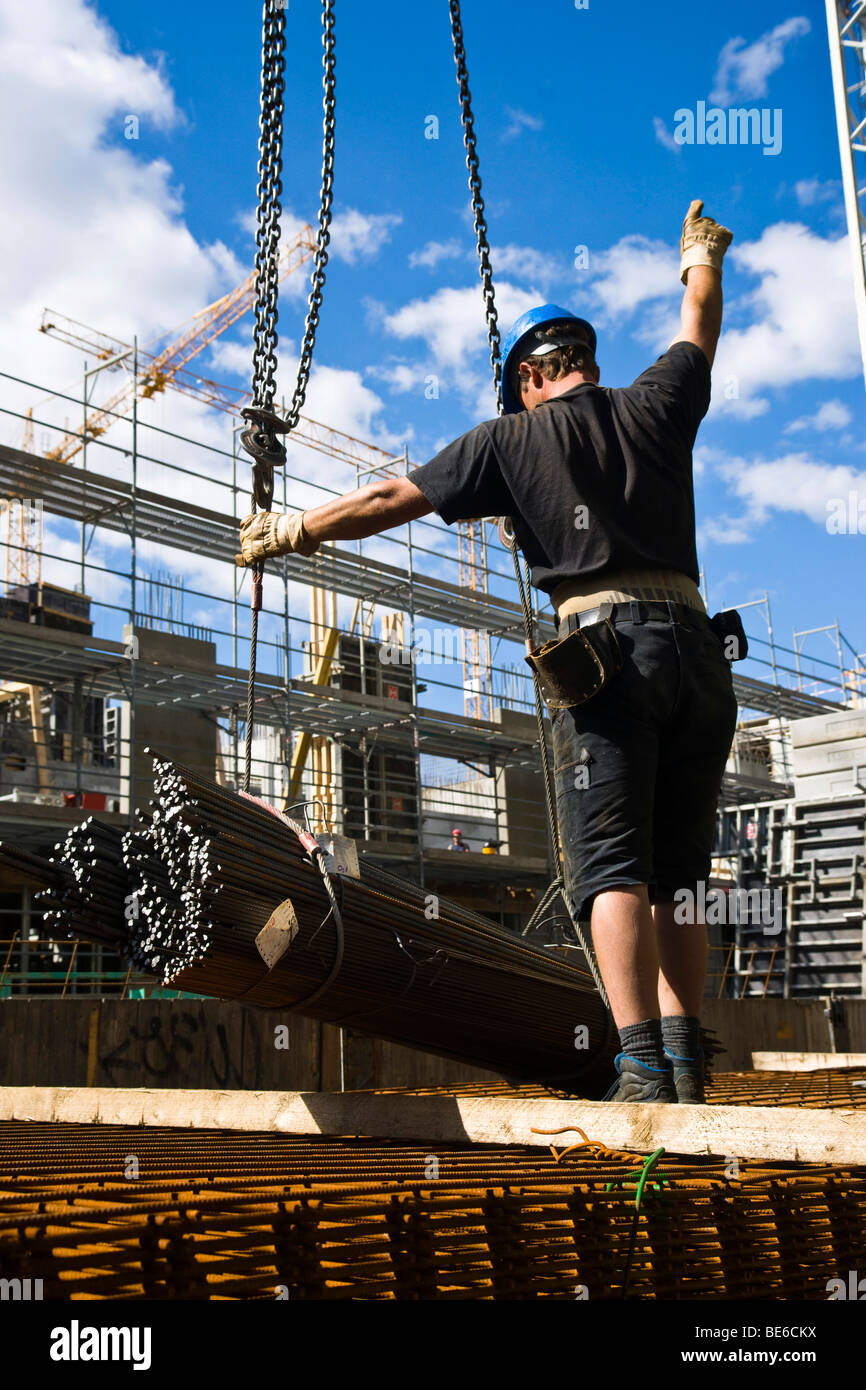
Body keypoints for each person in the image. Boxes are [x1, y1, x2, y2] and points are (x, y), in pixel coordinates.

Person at [237, 200, 738, 1105]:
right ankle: (688, 1058)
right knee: (682, 879)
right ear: (586, 364)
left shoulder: (508, 438)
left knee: (610, 865)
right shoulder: (658, 400)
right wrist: (698, 254)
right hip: (701, 653)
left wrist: (293, 528)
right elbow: (698, 322)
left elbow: (392, 497)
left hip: (611, 654)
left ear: (532, 380)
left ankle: (637, 1062)